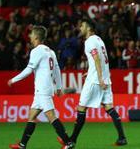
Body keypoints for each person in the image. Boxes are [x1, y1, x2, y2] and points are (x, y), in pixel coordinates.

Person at [7, 25, 74, 149]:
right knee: (32, 116)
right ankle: (22, 145)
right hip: (42, 90)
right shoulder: (50, 51)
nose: (30, 37)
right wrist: (58, 87)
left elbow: (29, 69)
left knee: (51, 116)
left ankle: (68, 142)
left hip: (43, 89)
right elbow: (57, 70)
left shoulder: (36, 51)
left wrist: (13, 80)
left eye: (31, 34)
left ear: (36, 37)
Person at [68, 18, 127, 146]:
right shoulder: (99, 40)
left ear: (89, 28)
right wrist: (93, 73)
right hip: (105, 78)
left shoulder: (89, 41)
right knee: (109, 107)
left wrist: (98, 78)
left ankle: (72, 140)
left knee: (81, 107)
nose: (80, 28)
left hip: (96, 80)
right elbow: (99, 59)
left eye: (82, 26)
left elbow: (96, 59)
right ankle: (122, 138)